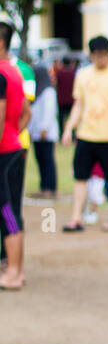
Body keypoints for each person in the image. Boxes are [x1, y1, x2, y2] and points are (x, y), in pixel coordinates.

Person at [60, 36, 108, 232]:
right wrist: (69, 128)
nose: (101, 59)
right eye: (97, 55)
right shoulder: (83, 74)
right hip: (86, 134)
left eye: (104, 55)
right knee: (80, 177)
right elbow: (78, 104)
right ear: (91, 55)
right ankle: (76, 218)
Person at [0, 23, 30, 290]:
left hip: (3, 152)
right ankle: (16, 271)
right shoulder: (15, 71)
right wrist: (12, 132)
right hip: (13, 148)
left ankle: (13, 272)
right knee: (10, 212)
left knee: (6, 211)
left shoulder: (0, 73)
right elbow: (26, 113)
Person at [29, 63, 58, 198]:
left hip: (46, 133)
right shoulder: (36, 91)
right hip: (36, 133)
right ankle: (43, 186)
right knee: (40, 159)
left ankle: (50, 187)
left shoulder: (48, 92)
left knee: (47, 160)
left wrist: (44, 129)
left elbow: (49, 112)